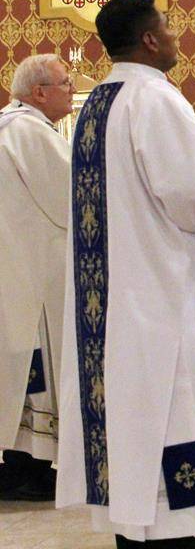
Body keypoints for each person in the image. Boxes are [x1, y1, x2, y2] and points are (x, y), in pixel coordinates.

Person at [56, 0, 195, 549]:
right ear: (148, 39)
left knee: (129, 405)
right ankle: (170, 533)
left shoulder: (98, 103)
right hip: (157, 286)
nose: (175, 35)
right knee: (169, 399)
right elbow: (189, 190)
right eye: (167, 27)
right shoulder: (155, 101)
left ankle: (135, 527)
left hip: (110, 295)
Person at [0, 54, 74, 501]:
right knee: (33, 368)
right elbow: (69, 194)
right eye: (65, 83)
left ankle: (23, 465)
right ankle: (25, 470)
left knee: (17, 371)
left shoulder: (11, 126)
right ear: (39, 92)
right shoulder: (27, 132)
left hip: (18, 269)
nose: (71, 88)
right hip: (33, 273)